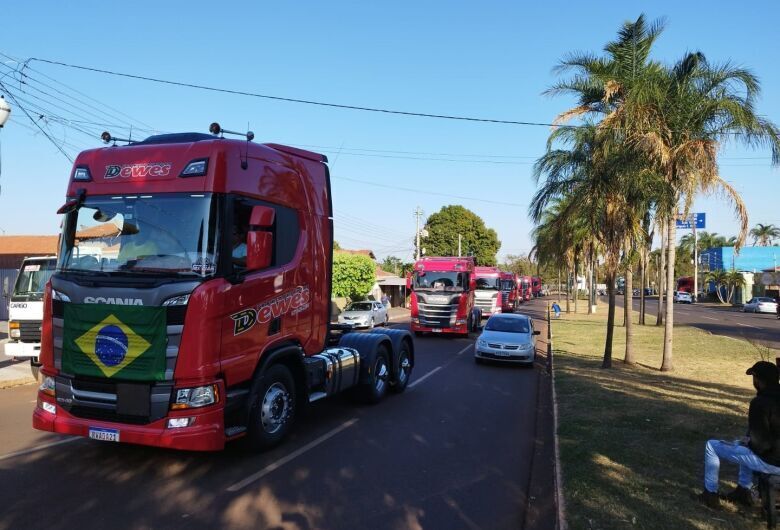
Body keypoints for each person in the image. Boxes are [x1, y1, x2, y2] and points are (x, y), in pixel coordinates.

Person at [698, 361, 780, 509]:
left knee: (712, 446)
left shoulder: (760, 403)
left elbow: (761, 446)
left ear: (758, 380)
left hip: (772, 462)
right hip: (775, 456)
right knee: (744, 445)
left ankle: (710, 494)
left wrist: (748, 442)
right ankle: (743, 491)